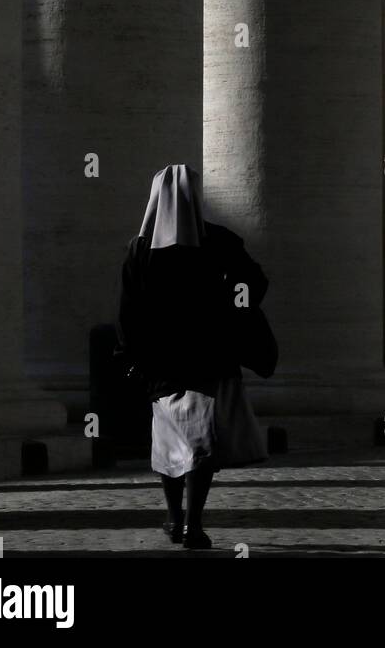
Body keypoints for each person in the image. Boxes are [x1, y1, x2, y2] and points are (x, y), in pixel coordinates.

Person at [115, 163, 269, 550]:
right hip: (208, 358)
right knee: (200, 447)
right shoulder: (218, 241)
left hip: (161, 364)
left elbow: (127, 311)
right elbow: (254, 282)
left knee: (172, 445)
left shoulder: (140, 250)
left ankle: (177, 518)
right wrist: (231, 306)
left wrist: (130, 356)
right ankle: (190, 523)